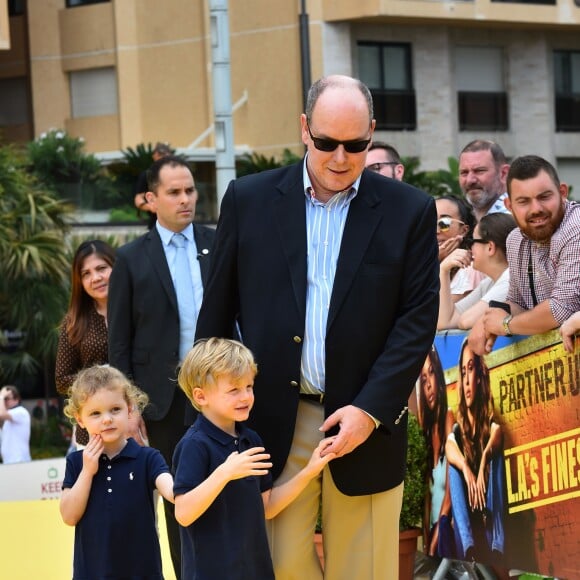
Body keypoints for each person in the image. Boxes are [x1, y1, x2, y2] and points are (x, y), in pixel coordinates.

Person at [195, 74, 439, 580]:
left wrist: (370, 410)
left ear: (371, 133)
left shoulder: (408, 211)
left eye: (356, 145)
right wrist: (213, 417)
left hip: (367, 422)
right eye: (327, 142)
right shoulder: (248, 200)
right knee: (281, 568)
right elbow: (215, 319)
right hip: (272, 421)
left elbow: (416, 322)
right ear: (305, 129)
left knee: (365, 571)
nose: (341, 158)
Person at [108, 154, 215, 577]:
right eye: (174, 192)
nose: (185, 199)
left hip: (220, 393)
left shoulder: (218, 242)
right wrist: (128, 410)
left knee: (226, 489)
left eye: (190, 190)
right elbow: (120, 343)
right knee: (178, 500)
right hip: (162, 402)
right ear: (151, 199)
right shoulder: (131, 259)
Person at [173, 337, 336, 579]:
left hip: (254, 570)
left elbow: (267, 507)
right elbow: (184, 513)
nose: (245, 397)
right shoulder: (194, 445)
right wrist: (224, 473)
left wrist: (309, 471)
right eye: (234, 390)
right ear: (200, 396)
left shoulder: (251, 440)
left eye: (249, 387)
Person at [60, 365, 174, 580]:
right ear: (80, 419)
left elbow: (174, 492)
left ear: (130, 408)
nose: (107, 419)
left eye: (115, 409)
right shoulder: (76, 462)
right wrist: (87, 471)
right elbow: (68, 516)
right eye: (95, 413)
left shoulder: (148, 458)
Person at [470, 155, 580, 355]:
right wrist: (488, 319)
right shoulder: (515, 240)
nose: (536, 209)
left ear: (562, 193)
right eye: (524, 201)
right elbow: (518, 302)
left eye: (544, 197)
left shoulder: (575, 228)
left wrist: (505, 324)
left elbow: (561, 310)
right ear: (509, 206)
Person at [55, 240, 146, 449]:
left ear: (116, 267)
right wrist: (102, 377)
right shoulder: (74, 322)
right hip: (94, 433)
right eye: (86, 274)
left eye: (101, 268)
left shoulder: (140, 311)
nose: (95, 278)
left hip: (140, 421)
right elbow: (61, 380)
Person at [445, 339, 505, 562]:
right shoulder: (459, 431)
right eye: (463, 371)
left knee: (495, 456)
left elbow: (498, 434)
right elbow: (449, 446)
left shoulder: (490, 423)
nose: (467, 380)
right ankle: (468, 548)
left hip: (490, 522)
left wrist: (481, 465)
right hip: (470, 527)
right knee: (454, 465)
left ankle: (497, 544)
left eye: (471, 369)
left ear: (480, 376)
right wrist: (467, 470)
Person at [438, 213, 516, 330]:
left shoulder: (511, 278)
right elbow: (445, 323)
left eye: (471, 242)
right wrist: (443, 270)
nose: (469, 248)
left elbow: (465, 321)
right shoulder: (488, 283)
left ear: (490, 247)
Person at [417, 347, 454, 558]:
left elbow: (450, 494)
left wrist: (434, 541)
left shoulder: (449, 420)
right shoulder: (426, 431)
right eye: (423, 379)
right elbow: (428, 499)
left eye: (431, 373)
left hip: (446, 534)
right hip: (432, 534)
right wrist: (426, 538)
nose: (429, 384)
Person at [436, 195, 483, 302]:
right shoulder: (418, 259)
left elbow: (440, 315)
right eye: (428, 221)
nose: (436, 230)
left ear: (464, 230)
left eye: (444, 223)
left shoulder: (470, 267)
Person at [458, 140, 511, 222]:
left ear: (503, 174)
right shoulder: (462, 219)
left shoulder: (514, 221)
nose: (470, 180)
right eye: (464, 172)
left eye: (479, 171)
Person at [134, 141, 173, 230]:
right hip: (156, 224)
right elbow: (138, 199)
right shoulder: (147, 175)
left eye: (165, 155)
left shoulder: (176, 174)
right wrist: (150, 207)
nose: (163, 158)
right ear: (154, 156)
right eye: (160, 154)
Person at [0, 385, 31, 464]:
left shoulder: (20, 412)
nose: (4, 401)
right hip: (10, 462)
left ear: (16, 399)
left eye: (6, 399)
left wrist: (1, 396)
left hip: (19, 460)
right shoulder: (9, 416)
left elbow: (1, 414)